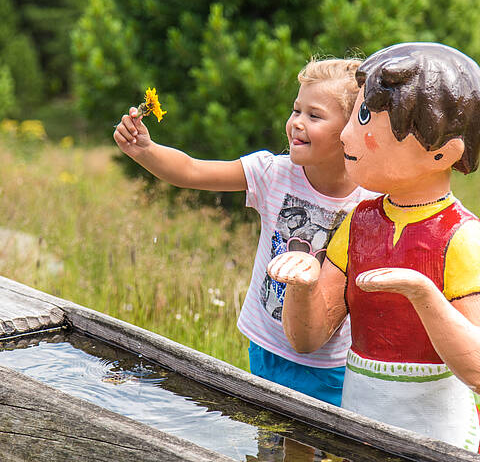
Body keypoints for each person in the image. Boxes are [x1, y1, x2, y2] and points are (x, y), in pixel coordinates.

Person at [113, 58, 378, 406]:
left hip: (333, 363)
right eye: (296, 110)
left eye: (314, 116)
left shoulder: (371, 200)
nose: (297, 123)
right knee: (268, 440)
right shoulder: (272, 173)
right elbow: (192, 171)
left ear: (349, 130)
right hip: (267, 347)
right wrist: (146, 150)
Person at [267, 42, 480, 451]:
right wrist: (304, 284)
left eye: (365, 117)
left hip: (437, 435)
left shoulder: (462, 238)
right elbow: (307, 339)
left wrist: (422, 294)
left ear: (442, 151)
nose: (347, 133)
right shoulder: (359, 221)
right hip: (360, 417)